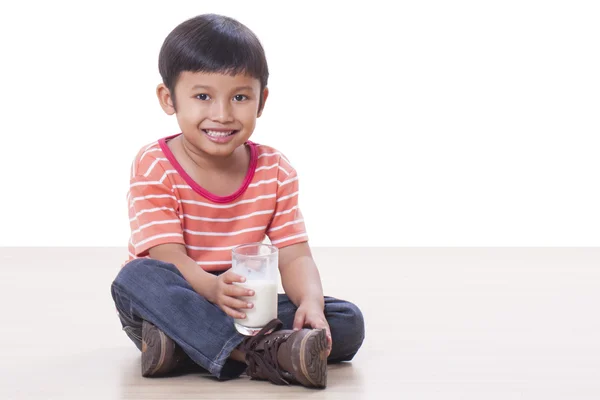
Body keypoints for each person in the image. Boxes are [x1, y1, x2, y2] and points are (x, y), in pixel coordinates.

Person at [110, 13, 365, 389]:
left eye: (240, 97)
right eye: (202, 97)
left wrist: (310, 301)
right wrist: (212, 289)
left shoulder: (275, 169)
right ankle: (259, 355)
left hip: (242, 303)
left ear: (261, 101)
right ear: (169, 99)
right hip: (175, 296)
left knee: (344, 320)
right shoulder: (155, 164)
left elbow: (295, 255)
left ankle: (183, 348)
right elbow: (168, 254)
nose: (223, 114)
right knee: (136, 277)